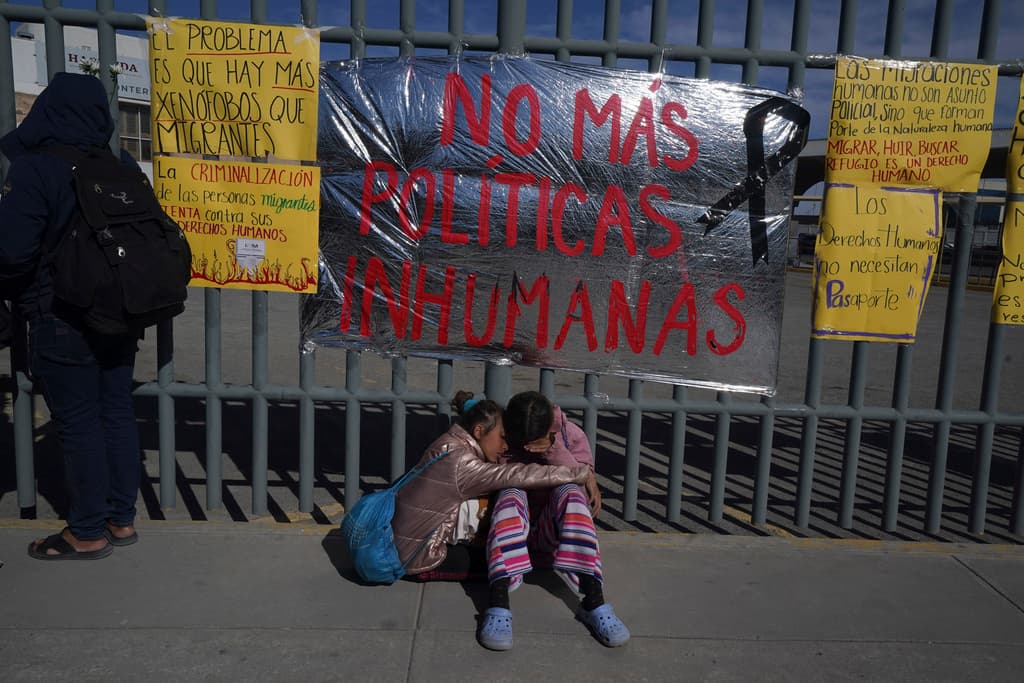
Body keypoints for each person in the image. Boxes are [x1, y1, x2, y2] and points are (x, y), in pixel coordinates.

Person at [0, 72, 142, 559]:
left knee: (79, 422)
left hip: (60, 313)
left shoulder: (35, 167)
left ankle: (86, 531)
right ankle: (121, 520)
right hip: (122, 312)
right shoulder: (120, 164)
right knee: (116, 413)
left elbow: (11, 252)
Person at [390, 392, 589, 601]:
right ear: (478, 431)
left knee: (501, 551)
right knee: (504, 562)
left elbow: (484, 416)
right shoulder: (463, 463)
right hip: (415, 556)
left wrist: (466, 403)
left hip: (408, 538)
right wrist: (582, 473)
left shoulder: (454, 440)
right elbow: (517, 474)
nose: (505, 446)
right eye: (503, 437)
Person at [483, 390, 630, 649]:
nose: (528, 447)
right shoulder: (502, 436)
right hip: (512, 538)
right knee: (510, 492)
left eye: (535, 441)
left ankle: (593, 600)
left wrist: (554, 450)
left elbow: (584, 485)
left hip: (554, 540)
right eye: (522, 442)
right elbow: (489, 475)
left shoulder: (569, 435)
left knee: (571, 492)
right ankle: (498, 602)